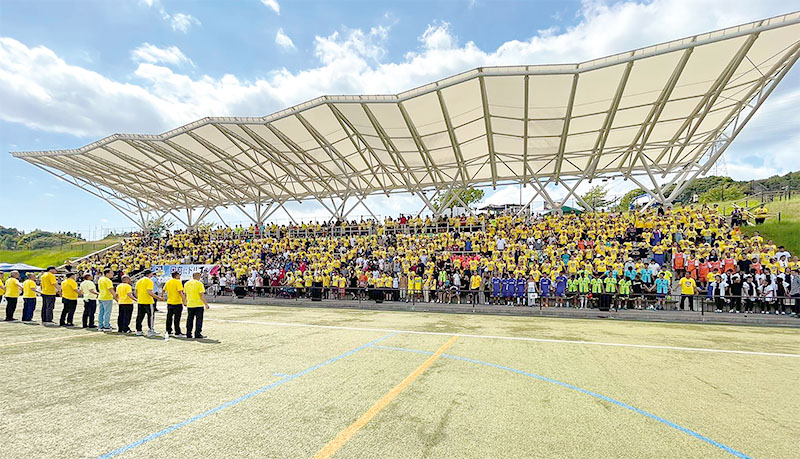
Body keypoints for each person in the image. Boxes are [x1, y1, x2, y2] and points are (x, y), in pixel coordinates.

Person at [135, 270, 161, 336]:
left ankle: (139, 330)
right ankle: (151, 330)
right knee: (150, 316)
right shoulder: (149, 281)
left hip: (140, 301)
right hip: (148, 301)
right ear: (150, 274)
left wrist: (139, 298)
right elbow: (149, 292)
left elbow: (136, 292)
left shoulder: (139, 281)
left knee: (140, 316)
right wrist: (158, 297)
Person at [185, 272, 210, 339]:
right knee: (199, 320)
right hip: (198, 304)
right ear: (198, 276)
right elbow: (201, 295)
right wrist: (206, 304)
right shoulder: (199, 284)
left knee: (190, 319)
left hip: (190, 304)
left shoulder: (187, 283)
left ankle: (188, 333)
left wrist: (185, 301)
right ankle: (197, 334)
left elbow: (185, 294)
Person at [164, 271, 186, 336]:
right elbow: (180, 292)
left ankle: (168, 331)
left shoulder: (168, 282)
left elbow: (163, 290)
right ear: (176, 276)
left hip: (170, 302)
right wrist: (184, 300)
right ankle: (177, 332)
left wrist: (162, 296)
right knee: (177, 318)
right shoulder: (178, 282)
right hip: (177, 302)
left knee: (169, 317)